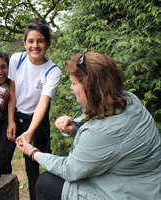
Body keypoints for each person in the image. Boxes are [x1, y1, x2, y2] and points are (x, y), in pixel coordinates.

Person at [17, 50, 161, 200]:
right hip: (139, 177)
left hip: (134, 192)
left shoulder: (107, 130)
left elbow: (70, 170)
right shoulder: (127, 99)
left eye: (74, 83)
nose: (71, 87)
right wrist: (73, 128)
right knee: (60, 161)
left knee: (45, 183)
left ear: (90, 88)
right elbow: (101, 130)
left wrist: (33, 153)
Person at [0, 18, 61, 200]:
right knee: (2, 159)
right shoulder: (18, 59)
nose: (35, 45)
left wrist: (30, 131)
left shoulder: (52, 71)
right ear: (24, 43)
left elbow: (43, 103)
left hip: (36, 120)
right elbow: (13, 91)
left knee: (32, 167)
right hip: (15, 114)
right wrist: (10, 120)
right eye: (31, 41)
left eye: (40, 41)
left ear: (48, 44)